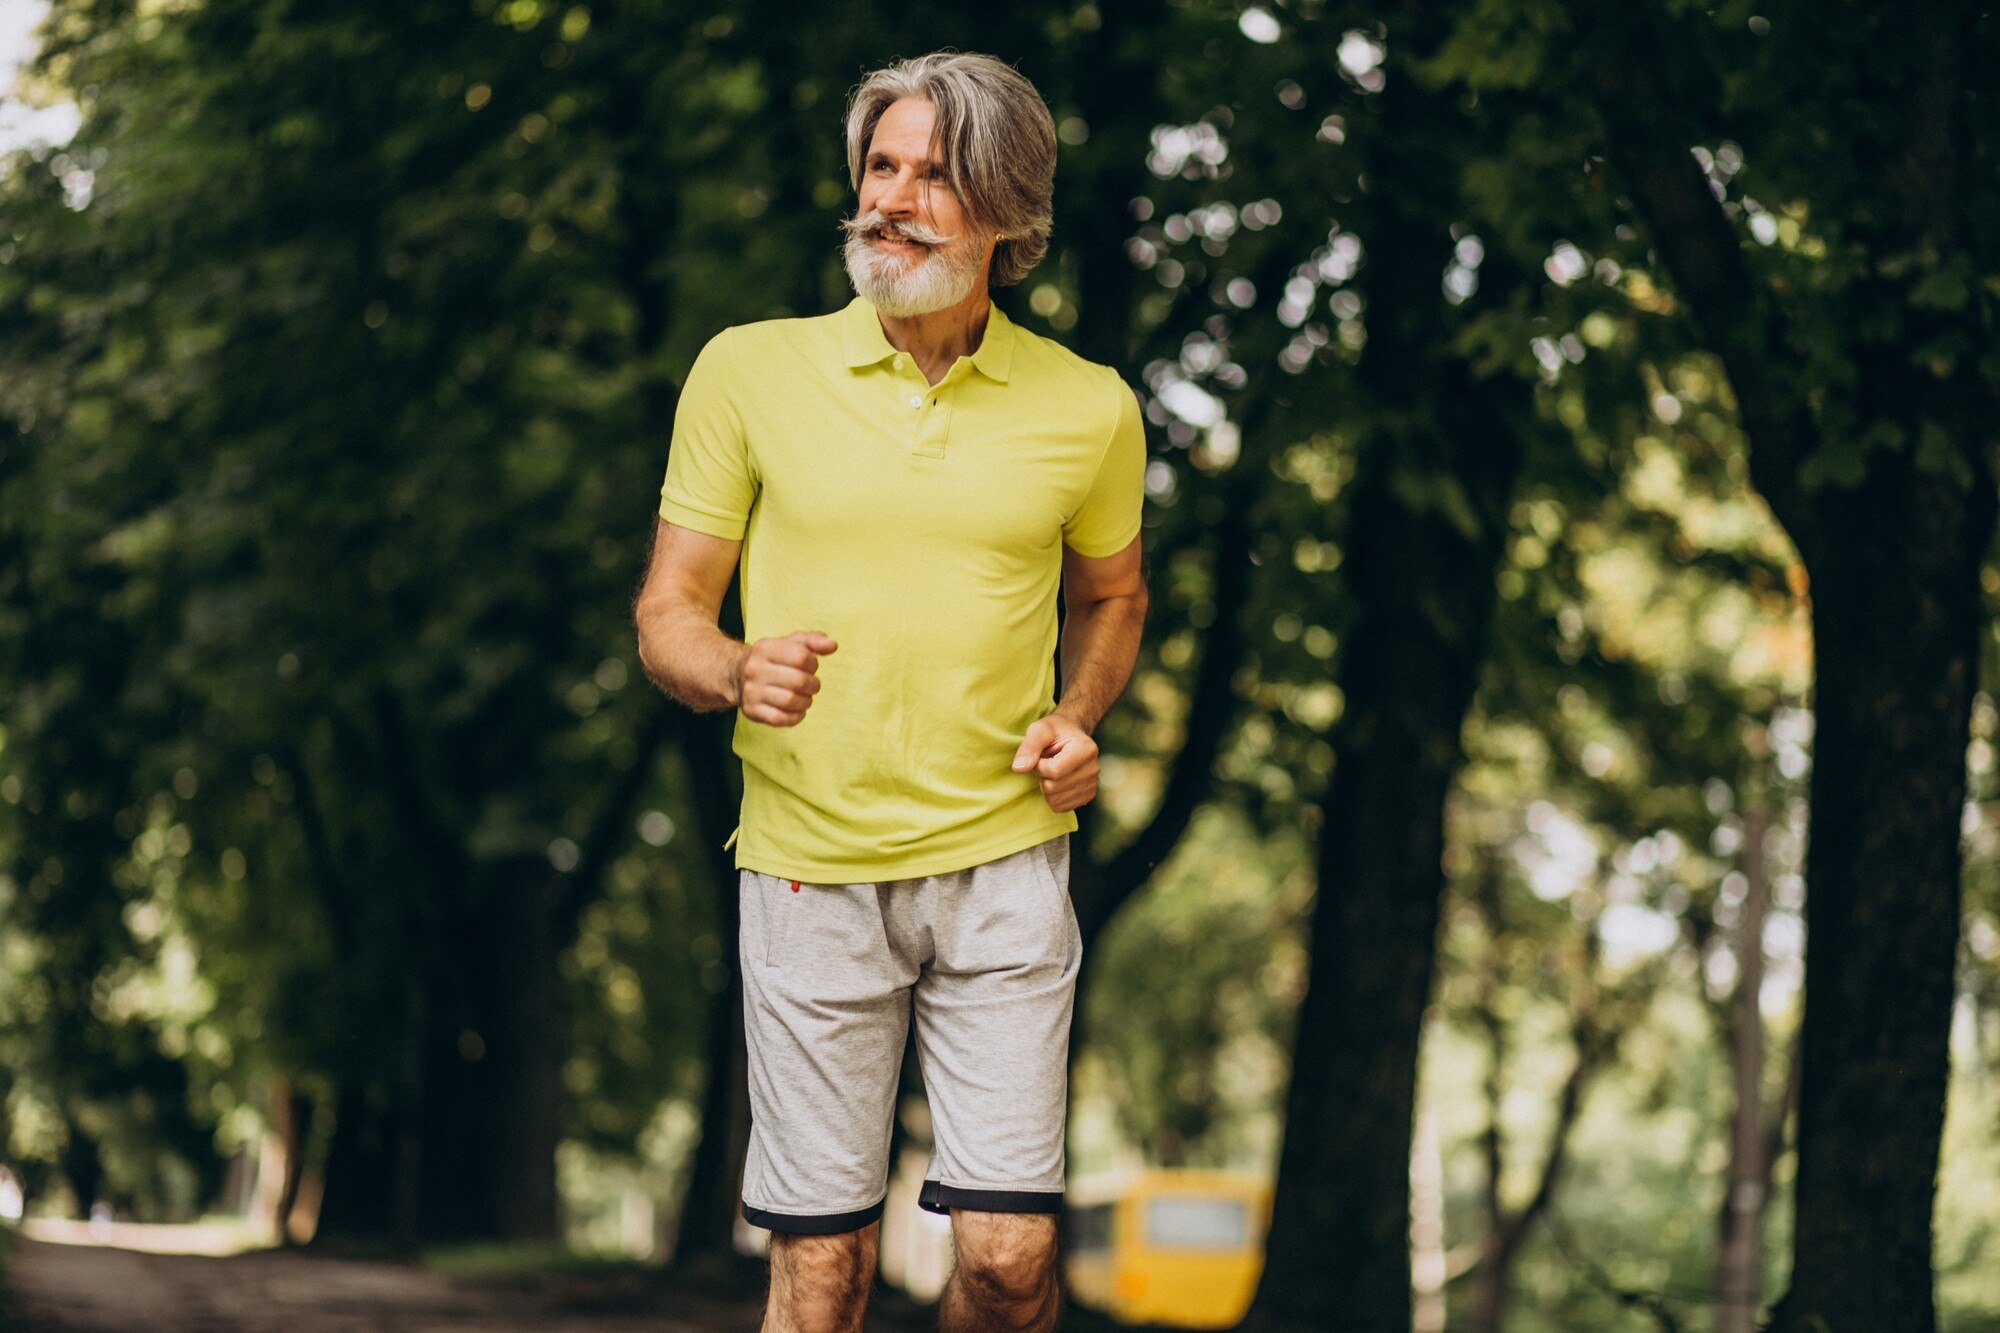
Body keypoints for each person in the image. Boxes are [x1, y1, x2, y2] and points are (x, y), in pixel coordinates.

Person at [633, 50, 1147, 1333]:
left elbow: (1112, 598)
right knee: (823, 1270)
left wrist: (1076, 719)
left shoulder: (1088, 409)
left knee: (1009, 1259)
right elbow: (667, 616)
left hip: (1003, 865)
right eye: (883, 166)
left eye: (936, 176)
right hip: (808, 870)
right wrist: (733, 669)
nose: (894, 199)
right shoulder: (746, 372)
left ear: (1008, 213)